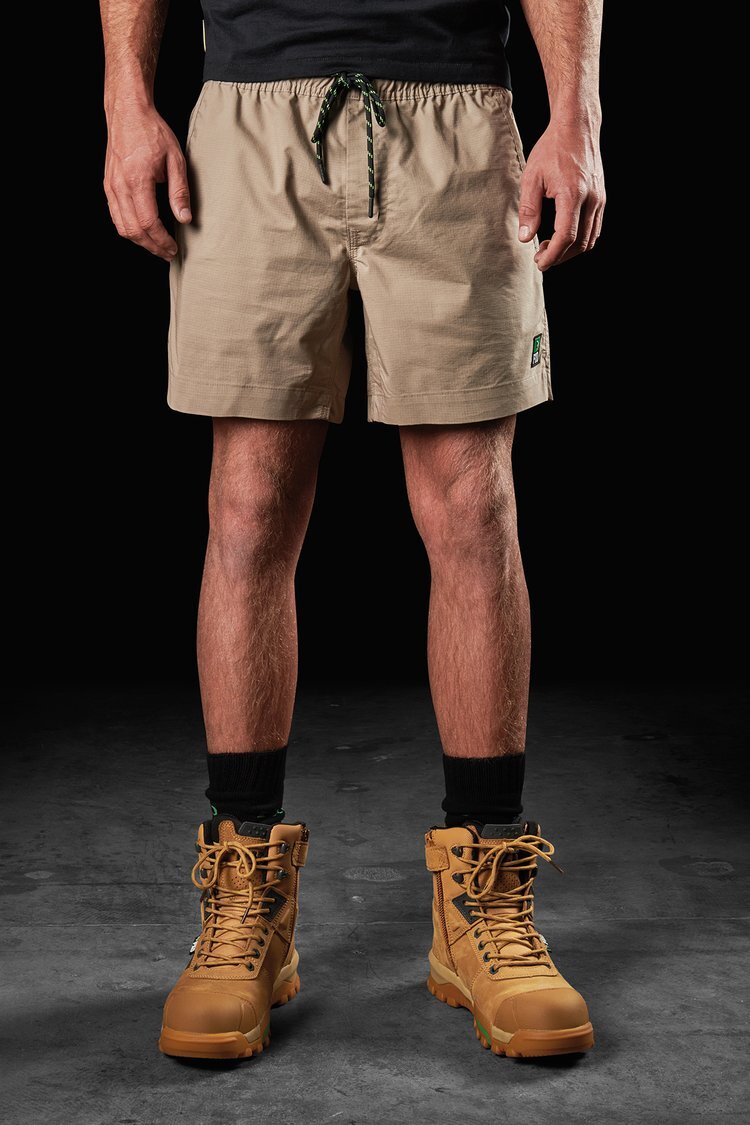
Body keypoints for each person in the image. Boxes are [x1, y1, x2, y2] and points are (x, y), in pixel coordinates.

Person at [100, 0, 605, 1061]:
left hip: (457, 108)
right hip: (251, 111)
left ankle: (483, 894)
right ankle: (246, 891)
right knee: (248, 506)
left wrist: (577, 113)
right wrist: (126, 102)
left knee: (473, 504)